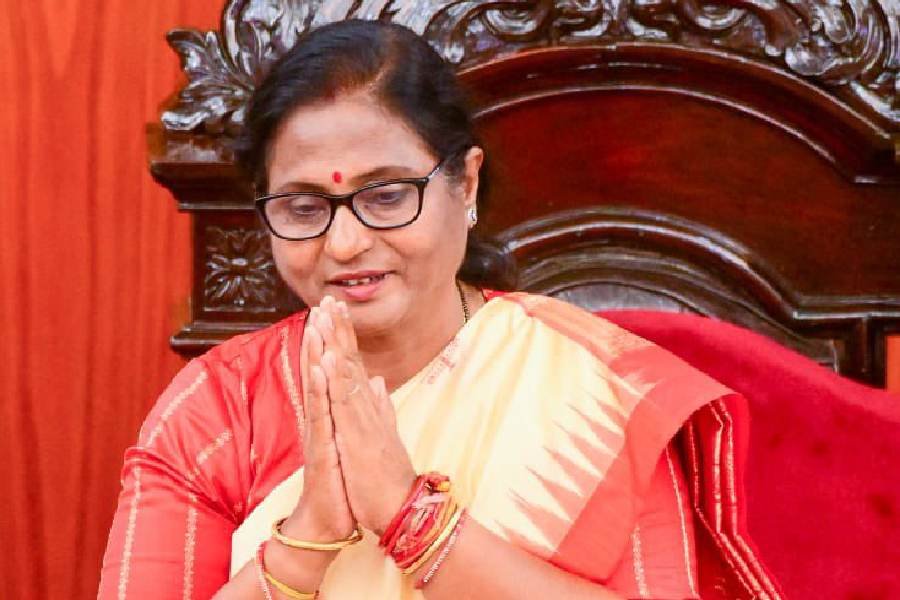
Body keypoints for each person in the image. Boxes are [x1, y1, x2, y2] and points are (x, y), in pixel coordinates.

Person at [99, 19, 779, 600]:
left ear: (467, 184)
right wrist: (309, 536)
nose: (345, 243)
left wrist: (409, 516)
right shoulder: (218, 414)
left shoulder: (591, 396)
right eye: (304, 208)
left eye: (387, 196)